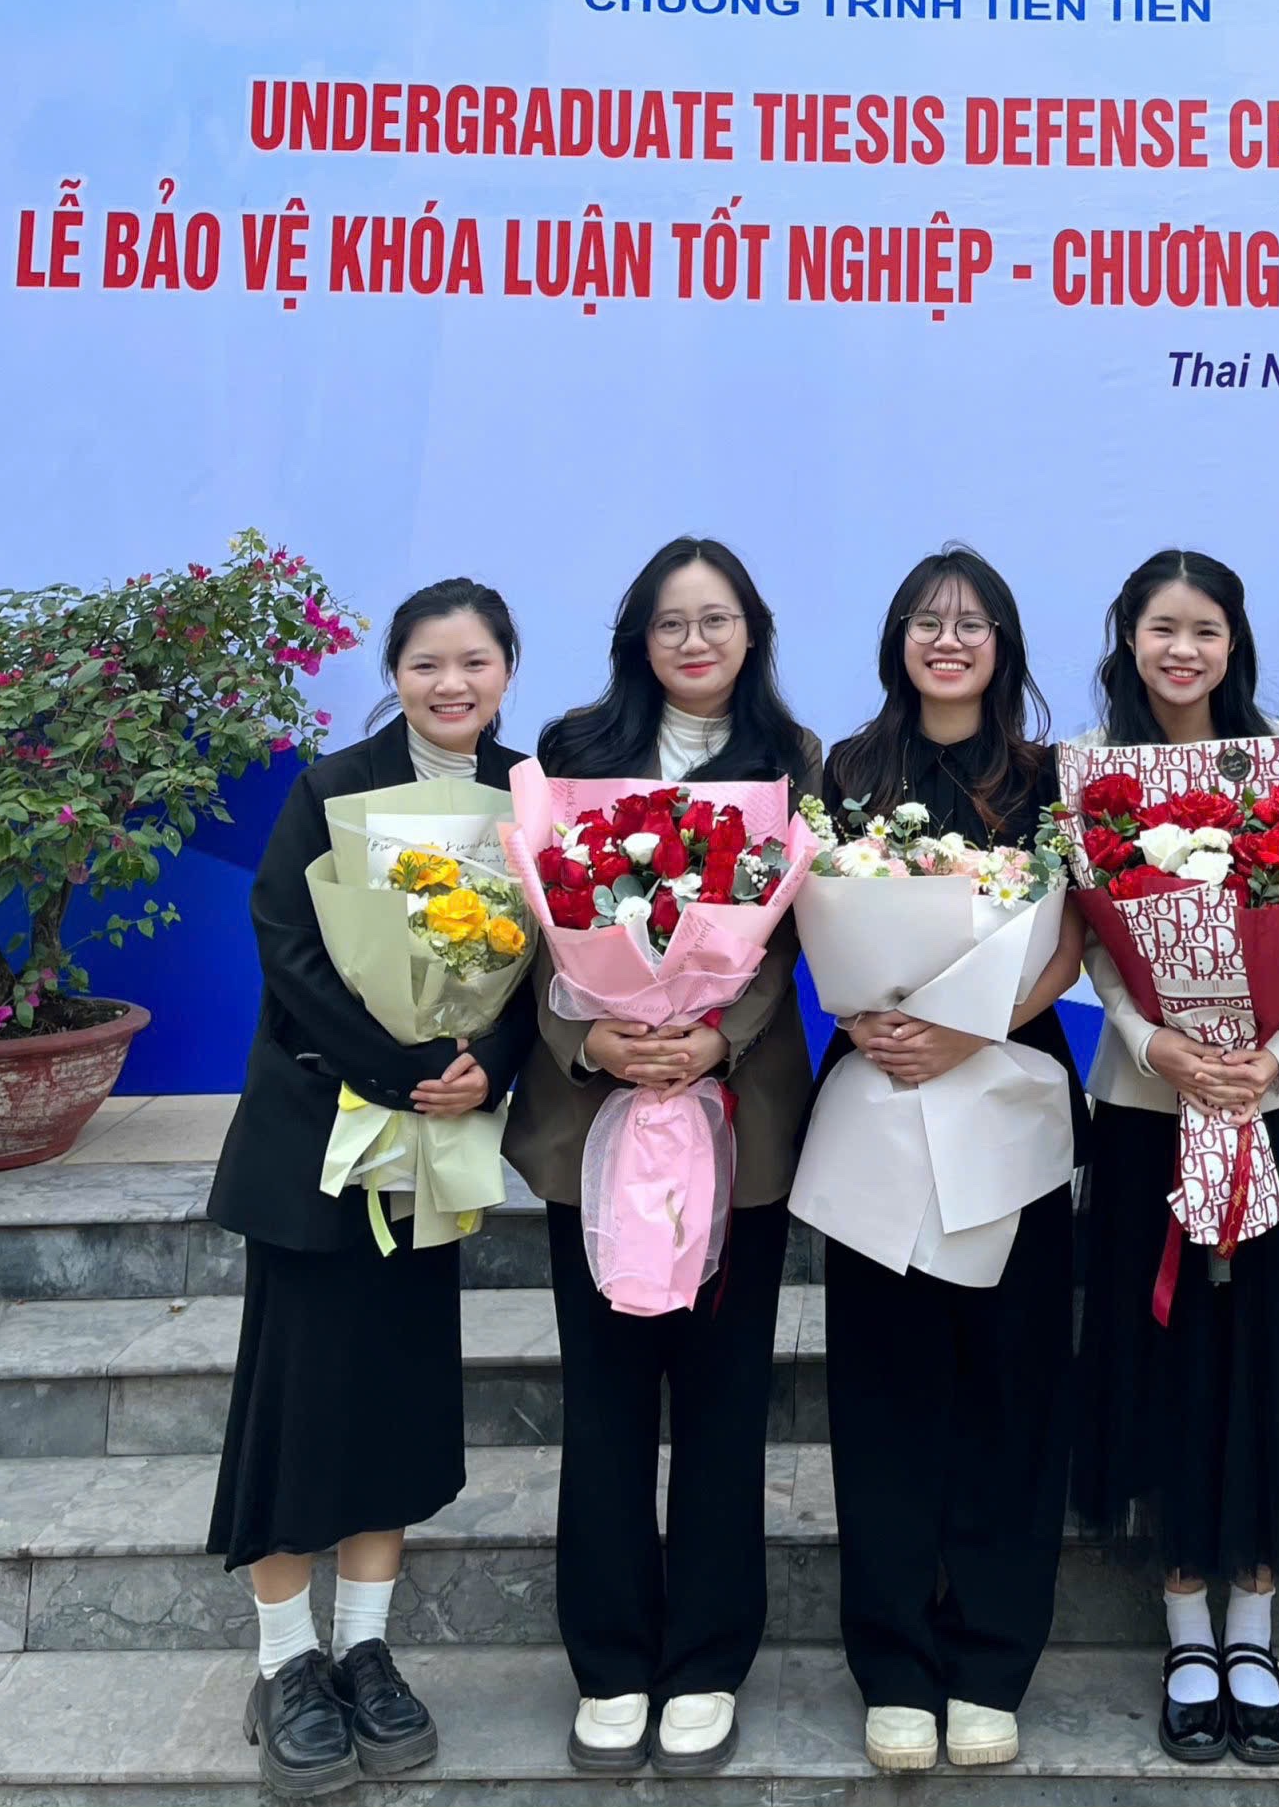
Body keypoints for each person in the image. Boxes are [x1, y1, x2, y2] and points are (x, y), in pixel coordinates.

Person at [208, 578, 539, 1798]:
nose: (451, 684)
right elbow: (290, 949)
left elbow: (550, 963)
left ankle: (364, 1650)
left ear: (507, 670)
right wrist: (402, 1068)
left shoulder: (530, 793)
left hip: (434, 1146)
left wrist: (488, 1062)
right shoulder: (331, 787)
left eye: (474, 662)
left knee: (395, 1404)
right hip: (319, 1140)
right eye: (425, 664)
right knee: (296, 1406)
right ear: (393, 674)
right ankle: (283, 1664)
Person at [1069, 549, 1279, 1765]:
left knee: (1270, 1350)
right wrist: (1155, 1041)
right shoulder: (1091, 783)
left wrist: (1268, 1051)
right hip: (1149, 1105)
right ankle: (1182, 1630)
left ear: (1232, 643)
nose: (1182, 650)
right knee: (1166, 1357)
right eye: (1162, 627)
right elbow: (1092, 940)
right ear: (1129, 638)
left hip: (1278, 1101)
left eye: (1203, 629)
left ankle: (1251, 1633)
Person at [505, 537, 821, 1777]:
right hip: (594, 1124)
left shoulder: (795, 764)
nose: (695, 642)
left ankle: (704, 1659)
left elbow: (796, 935)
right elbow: (531, 929)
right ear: (638, 637)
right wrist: (593, 1036)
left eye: (717, 619)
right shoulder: (572, 755)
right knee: (606, 1398)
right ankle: (608, 1659)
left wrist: (712, 1038)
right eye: (672, 622)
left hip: (736, 1128)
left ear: (753, 633)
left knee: (725, 1400)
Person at [813, 545, 1088, 1774]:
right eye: (925, 621)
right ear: (896, 640)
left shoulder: (1048, 779)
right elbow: (810, 921)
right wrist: (868, 1015)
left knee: (1009, 1390)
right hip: (880, 1093)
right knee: (883, 1392)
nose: (947, 640)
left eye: (971, 623)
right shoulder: (847, 771)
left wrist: (973, 1022)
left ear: (1003, 646)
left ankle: (988, 1662)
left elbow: (1073, 938)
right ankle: (892, 1665)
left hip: (1008, 1091)